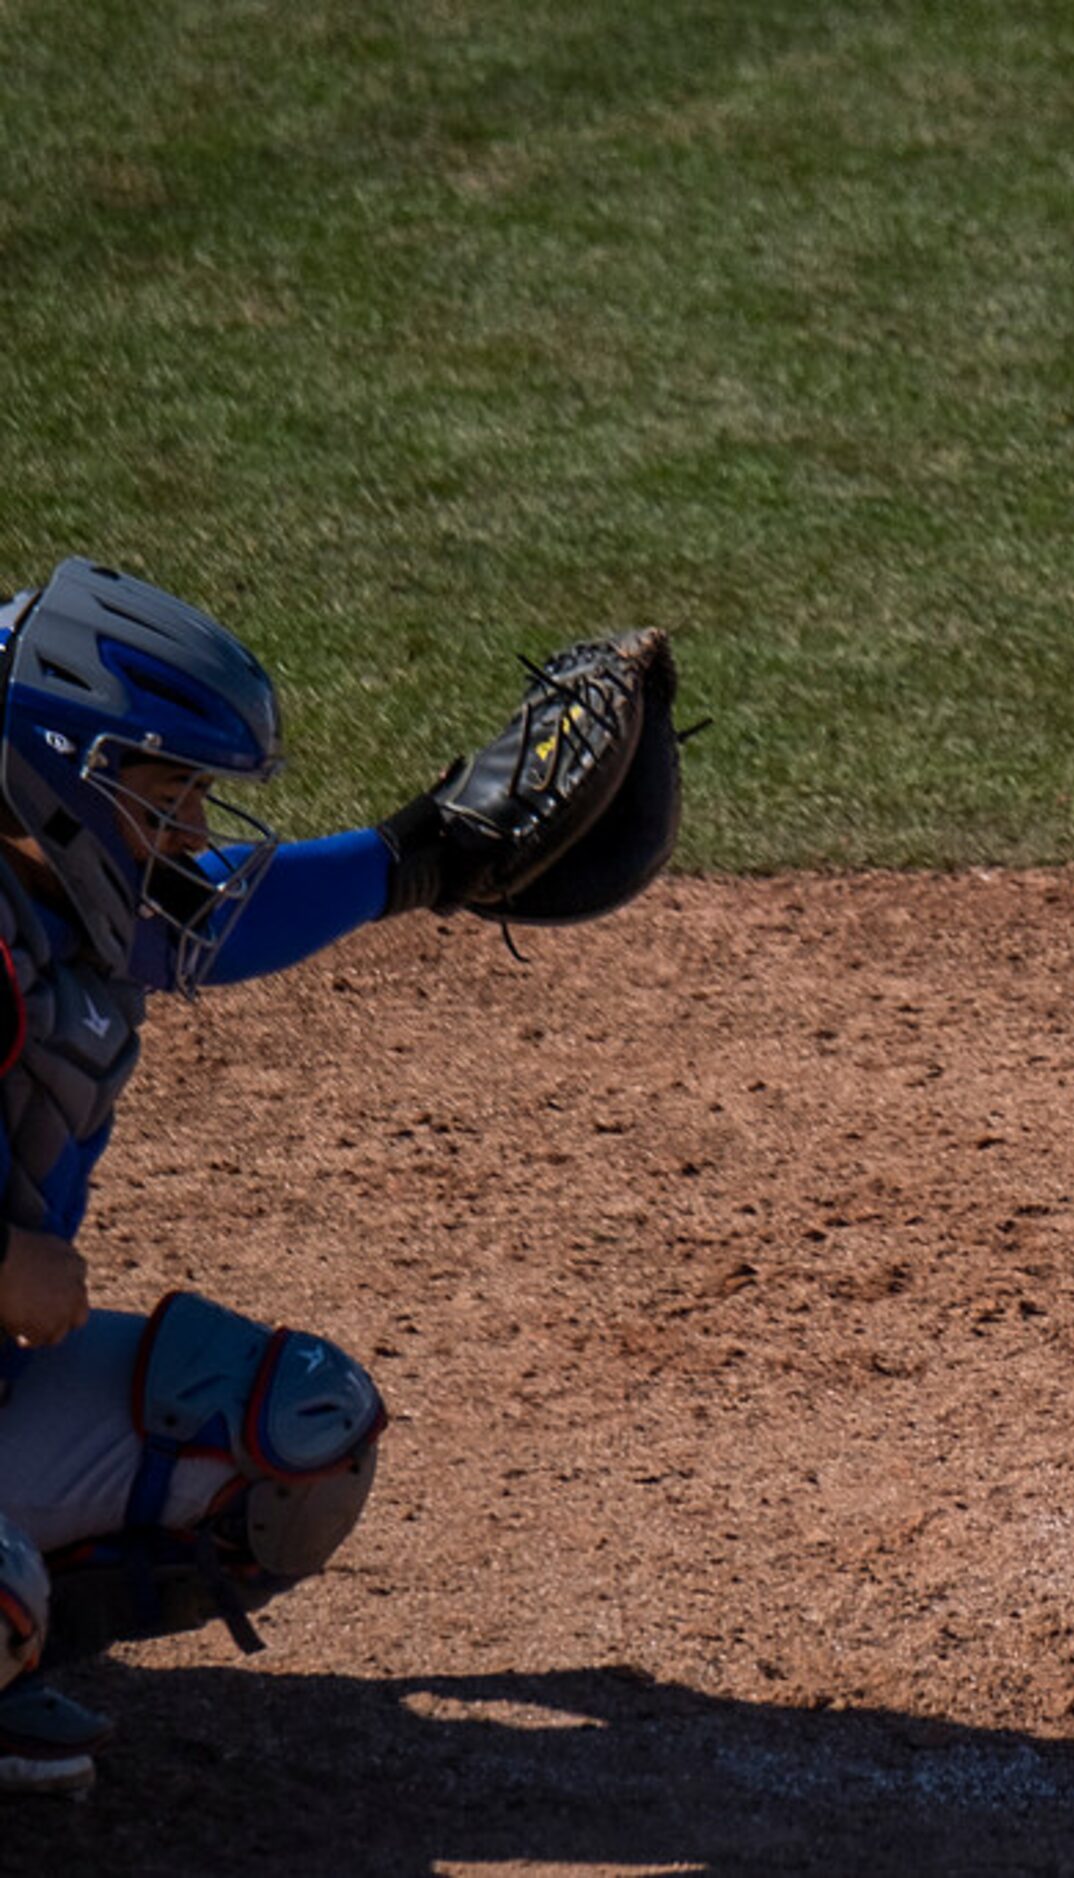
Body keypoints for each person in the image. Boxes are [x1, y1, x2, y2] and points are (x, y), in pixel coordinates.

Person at [0, 558, 676, 1794]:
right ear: (57, 777)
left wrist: (423, 859)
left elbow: (215, 917)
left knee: (287, 1439)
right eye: (168, 795)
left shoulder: (54, 893)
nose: (193, 832)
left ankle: (22, 1645)